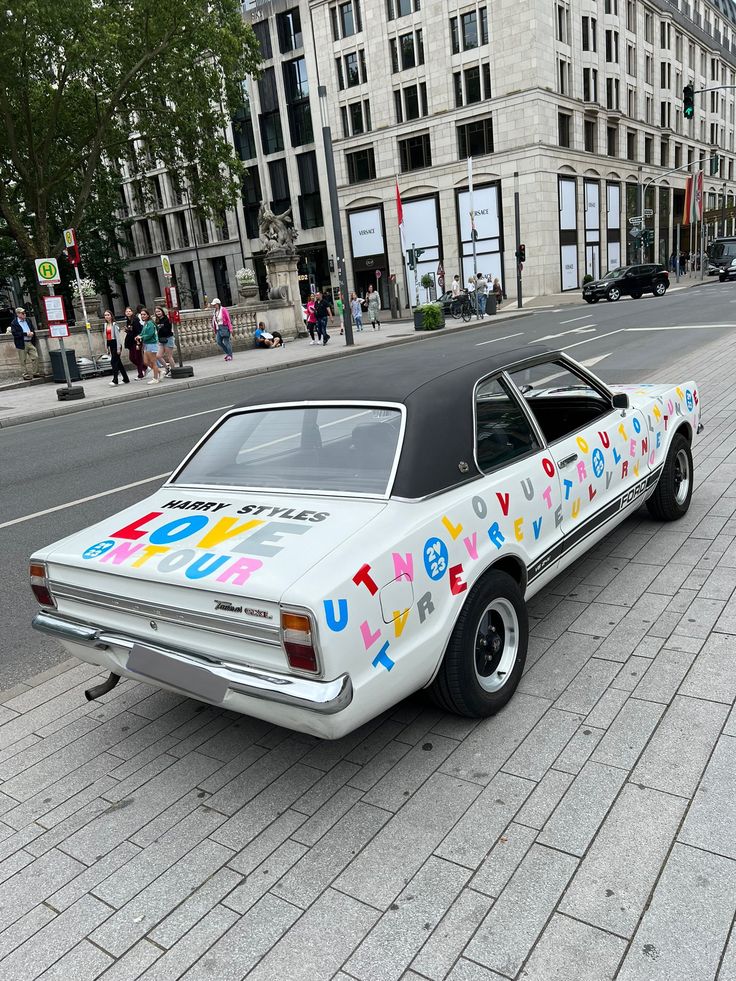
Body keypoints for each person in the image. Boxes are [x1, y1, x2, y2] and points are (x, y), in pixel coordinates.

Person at [10, 307, 39, 380]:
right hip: (21, 343)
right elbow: (15, 334)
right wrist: (26, 334)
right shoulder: (14, 323)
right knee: (23, 360)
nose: (24, 314)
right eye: (22, 313)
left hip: (30, 342)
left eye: (25, 313)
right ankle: (25, 375)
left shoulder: (28, 320)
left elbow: (32, 329)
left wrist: (32, 333)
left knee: (35, 357)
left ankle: (35, 373)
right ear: (18, 314)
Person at [103, 310, 130, 386]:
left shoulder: (114, 324)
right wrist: (107, 348)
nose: (107, 316)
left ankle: (115, 380)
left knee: (113, 362)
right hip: (110, 344)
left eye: (108, 315)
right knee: (119, 363)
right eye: (105, 315)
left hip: (116, 344)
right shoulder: (105, 325)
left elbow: (118, 338)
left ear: (111, 316)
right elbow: (105, 337)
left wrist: (118, 348)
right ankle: (126, 378)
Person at [138, 308, 161, 384]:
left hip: (151, 344)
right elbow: (142, 333)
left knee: (153, 362)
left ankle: (155, 378)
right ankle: (159, 372)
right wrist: (139, 336)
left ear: (148, 315)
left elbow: (150, 334)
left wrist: (141, 337)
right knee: (145, 362)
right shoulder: (146, 323)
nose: (143, 316)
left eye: (144, 314)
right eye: (141, 314)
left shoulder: (150, 323)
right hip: (147, 344)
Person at [123, 306, 145, 378]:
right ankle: (144, 367)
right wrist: (127, 330)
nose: (128, 313)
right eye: (127, 311)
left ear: (132, 312)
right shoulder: (128, 320)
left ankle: (140, 374)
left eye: (129, 311)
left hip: (136, 341)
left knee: (137, 357)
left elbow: (138, 331)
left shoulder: (135, 320)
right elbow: (130, 331)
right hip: (130, 342)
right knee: (132, 358)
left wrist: (138, 340)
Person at [154, 305, 176, 377]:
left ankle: (174, 370)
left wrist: (160, 328)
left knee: (169, 356)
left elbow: (167, 330)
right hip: (161, 340)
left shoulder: (167, 319)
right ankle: (167, 368)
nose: (158, 313)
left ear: (162, 312)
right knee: (158, 356)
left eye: (159, 311)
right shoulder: (157, 321)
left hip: (168, 338)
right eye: (156, 312)